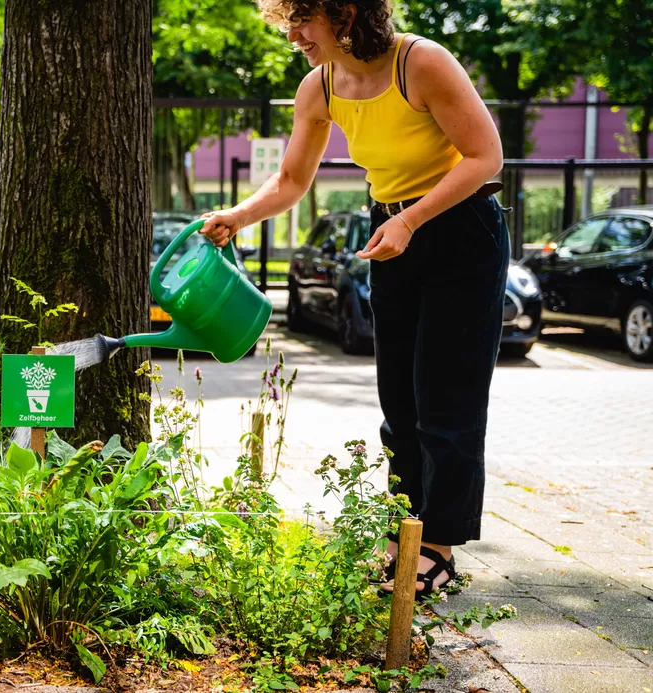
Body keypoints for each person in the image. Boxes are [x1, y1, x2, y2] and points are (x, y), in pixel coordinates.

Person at [200, 0, 507, 597]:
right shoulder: (319, 86)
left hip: (459, 232)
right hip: (392, 232)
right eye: (286, 22)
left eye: (301, 20)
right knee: (400, 400)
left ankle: (438, 548)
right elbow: (291, 180)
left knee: (447, 400)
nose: (292, 36)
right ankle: (404, 536)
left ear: (344, 14)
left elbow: (485, 157)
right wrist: (238, 216)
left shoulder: (421, 63)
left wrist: (411, 221)